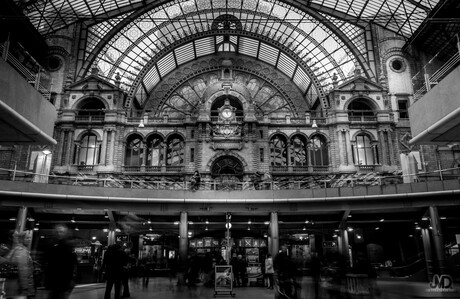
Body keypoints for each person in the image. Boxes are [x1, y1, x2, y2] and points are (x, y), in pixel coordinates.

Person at [44, 224, 78, 299]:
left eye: (61, 232)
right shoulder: (52, 245)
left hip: (63, 280)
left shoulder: (67, 246)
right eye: (57, 232)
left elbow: (71, 264)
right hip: (55, 280)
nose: (59, 233)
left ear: (65, 233)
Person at [3, 231, 35, 299]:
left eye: (29, 238)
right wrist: (25, 288)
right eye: (27, 238)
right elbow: (23, 271)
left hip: (11, 285)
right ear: (21, 239)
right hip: (18, 287)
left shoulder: (14, 250)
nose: (29, 240)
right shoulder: (22, 251)